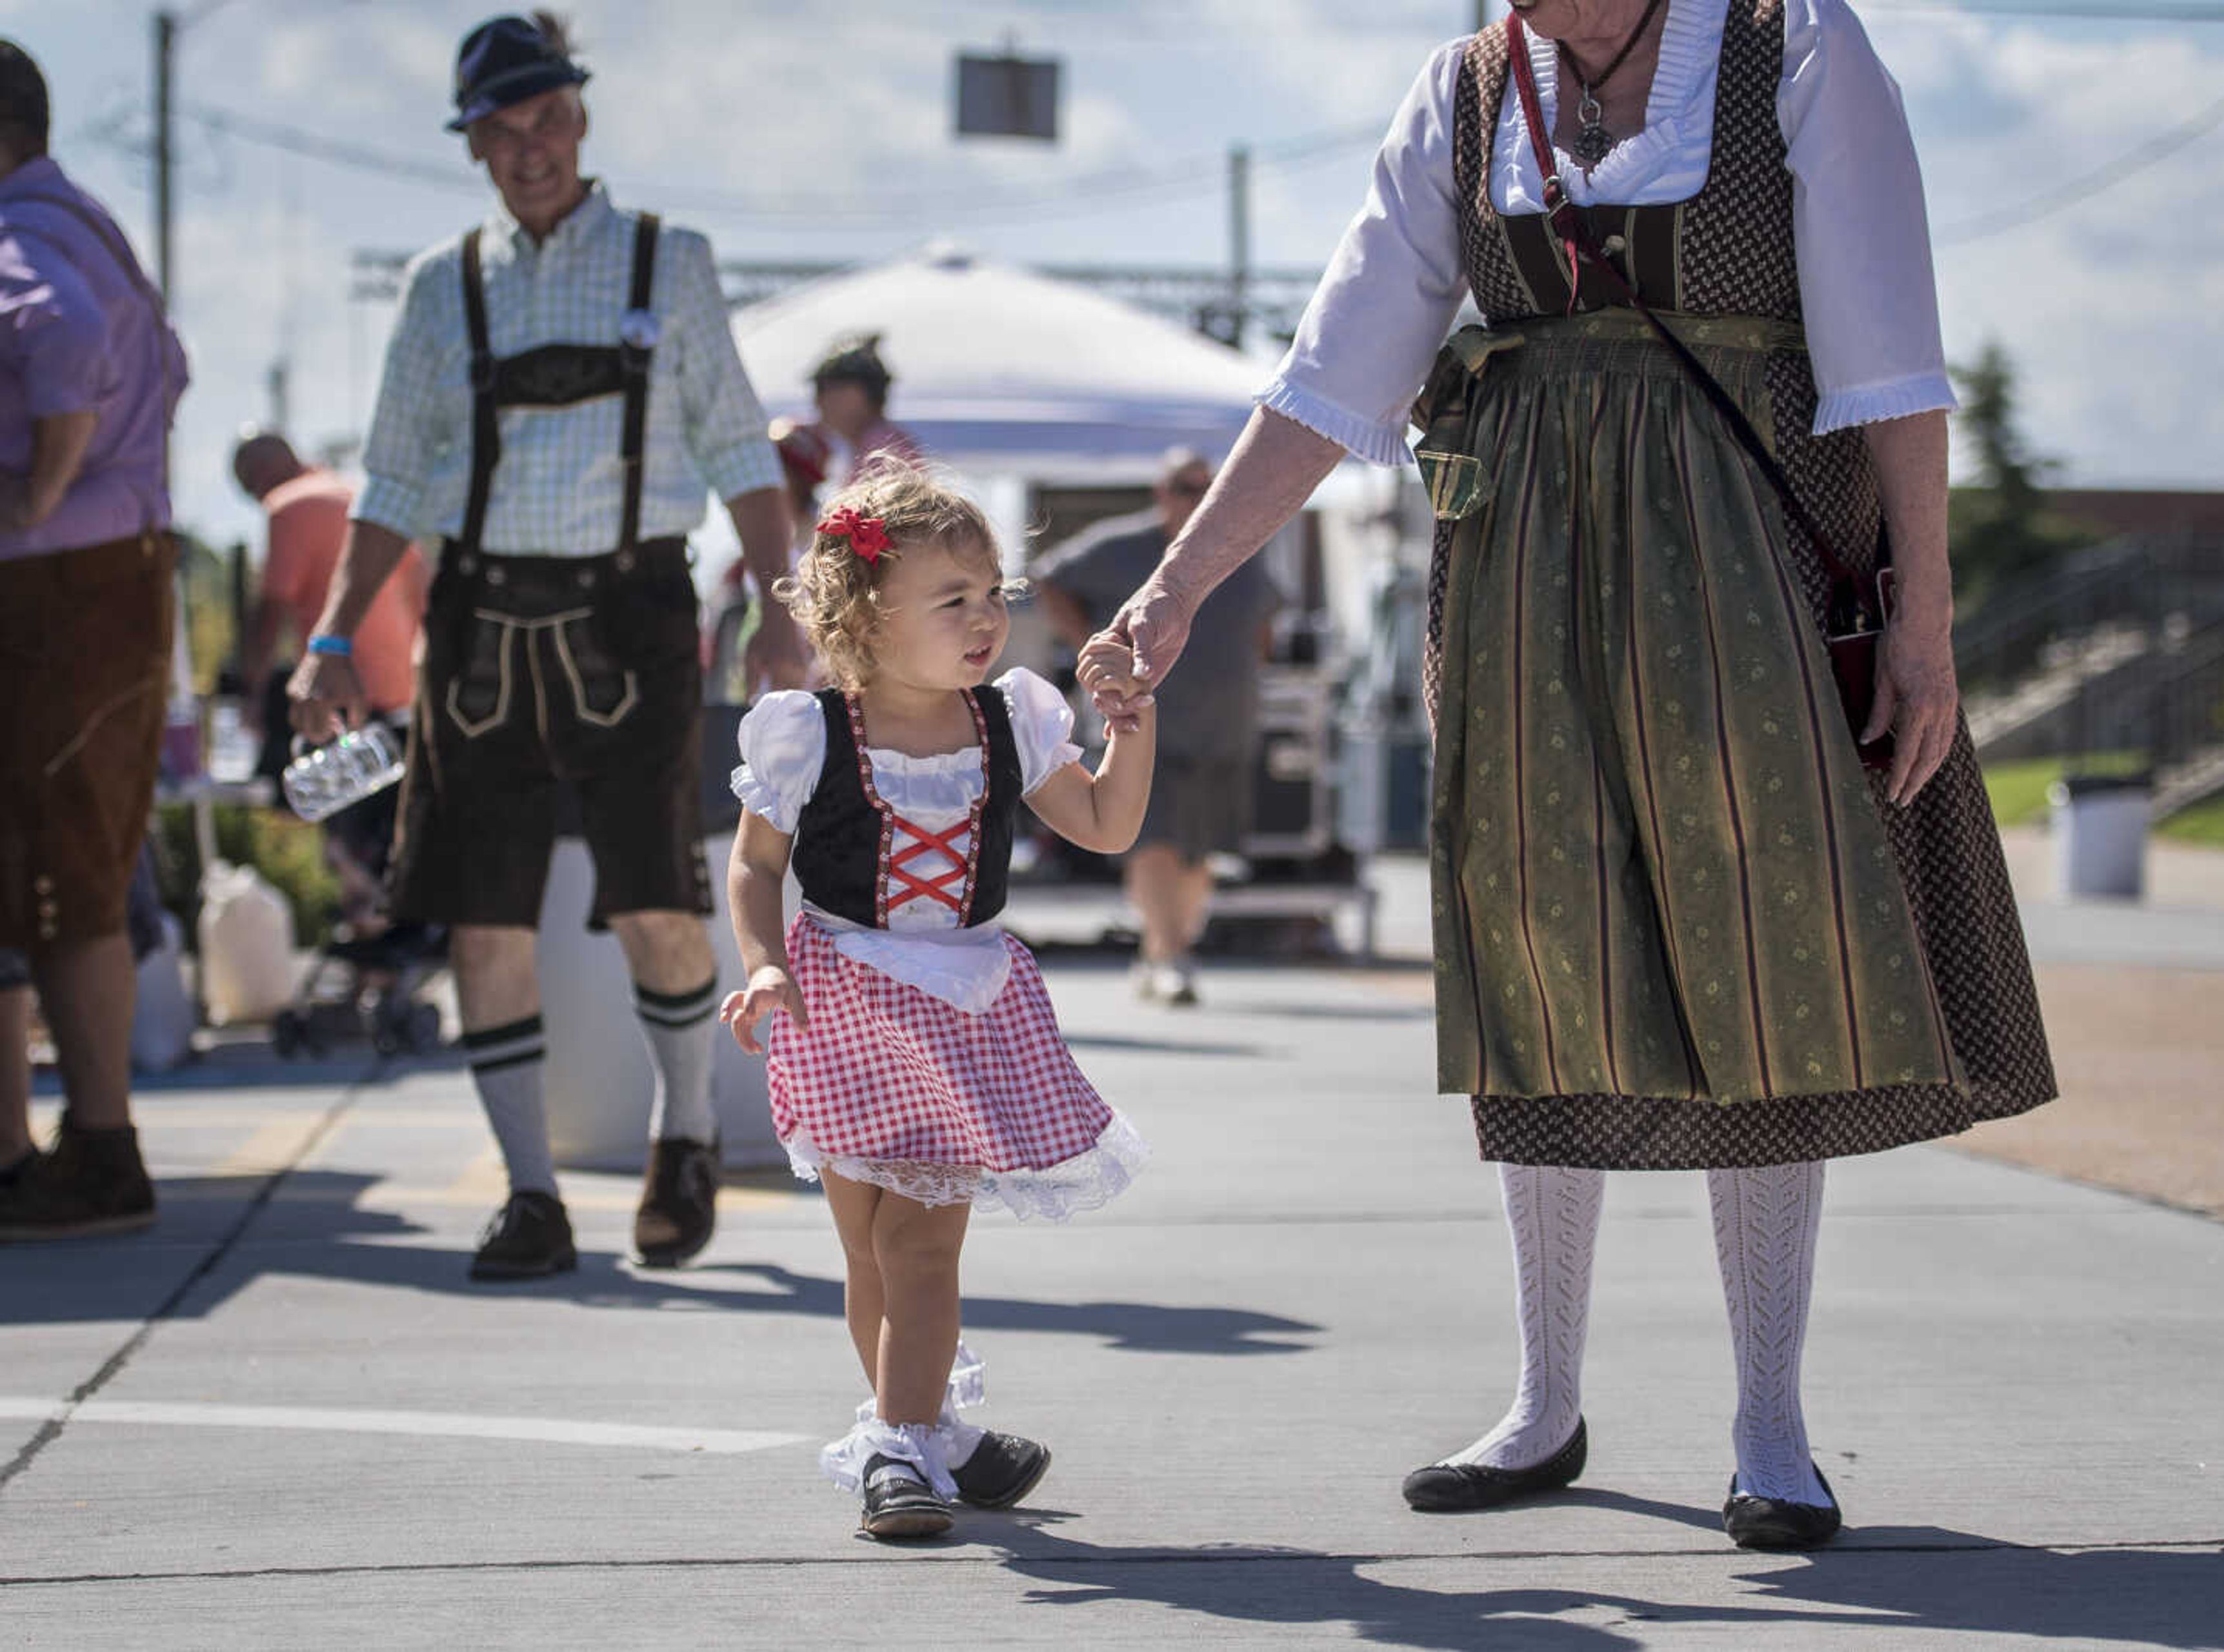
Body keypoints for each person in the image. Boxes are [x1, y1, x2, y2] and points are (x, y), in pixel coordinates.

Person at [1081, 0, 2056, 1549]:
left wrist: (1924, 615)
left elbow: (1885, 359)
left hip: (1743, 556)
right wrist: (1179, 588)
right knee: (1536, 939)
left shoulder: (1789, 42)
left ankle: (1770, 1426)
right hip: (1520, 568)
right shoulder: (1465, 90)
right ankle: (1542, 1401)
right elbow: (1332, 375)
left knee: (1760, 949)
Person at [289, 12, 801, 1280]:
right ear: (472, 144)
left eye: (549, 118)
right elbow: (393, 476)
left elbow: (739, 442)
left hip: (632, 610)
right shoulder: (439, 286)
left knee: (651, 900)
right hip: (475, 620)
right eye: (502, 129)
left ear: (582, 114)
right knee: (482, 916)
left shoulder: (665, 262)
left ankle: (681, 1137)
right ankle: (531, 1194)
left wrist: (781, 603)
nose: (531, 148)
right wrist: (335, 632)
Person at [720, 470, 1154, 1541]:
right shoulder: (810, 732)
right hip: (841, 1003)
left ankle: (899, 1448)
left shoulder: (1010, 720)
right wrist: (765, 962)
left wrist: (1129, 726)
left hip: (961, 1008)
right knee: (870, 1249)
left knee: (920, 1246)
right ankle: (932, 1429)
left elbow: (1105, 823)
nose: (986, 617)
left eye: (993, 592)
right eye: (953, 598)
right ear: (867, 619)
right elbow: (751, 867)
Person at [0, 39, 189, 1243]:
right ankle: (73, 1148)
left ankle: (99, 1148)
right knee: (68, 868)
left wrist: (32, 497)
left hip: (57, 586)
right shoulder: (82, 221)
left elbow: (59, 344)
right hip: (102, 577)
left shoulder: (28, 232)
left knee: (61, 869)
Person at [1037, 448, 1280, 1004]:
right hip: (1142, 721)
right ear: (1161, 491)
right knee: (1155, 841)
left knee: (1200, 853)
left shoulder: (1240, 547)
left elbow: (1267, 616)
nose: (1196, 496)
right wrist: (1090, 645)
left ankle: (1160, 950)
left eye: (1206, 485)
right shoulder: (1121, 545)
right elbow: (1049, 579)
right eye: (1184, 486)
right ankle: (1173, 956)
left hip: (1223, 724)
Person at [234, 430, 428, 928]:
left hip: (343, 694)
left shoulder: (288, 506)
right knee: (389, 840)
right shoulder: (360, 495)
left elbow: (270, 608)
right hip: (403, 689)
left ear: (260, 476)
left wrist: (251, 691)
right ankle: (389, 959)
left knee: (348, 843)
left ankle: (372, 953)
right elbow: (419, 587)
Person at [809, 333, 922, 487]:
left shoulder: (885, 456)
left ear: (857, 395)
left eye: (824, 388)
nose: (817, 401)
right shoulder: (880, 445)